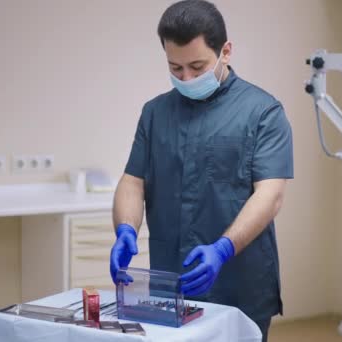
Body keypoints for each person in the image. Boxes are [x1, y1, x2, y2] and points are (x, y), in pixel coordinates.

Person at [109, 1, 293, 340]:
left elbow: (271, 194)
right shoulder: (155, 113)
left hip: (240, 284)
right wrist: (125, 229)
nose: (187, 78)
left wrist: (222, 248)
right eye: (175, 68)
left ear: (226, 51)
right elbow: (133, 181)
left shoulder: (263, 112)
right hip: (171, 283)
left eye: (197, 66)